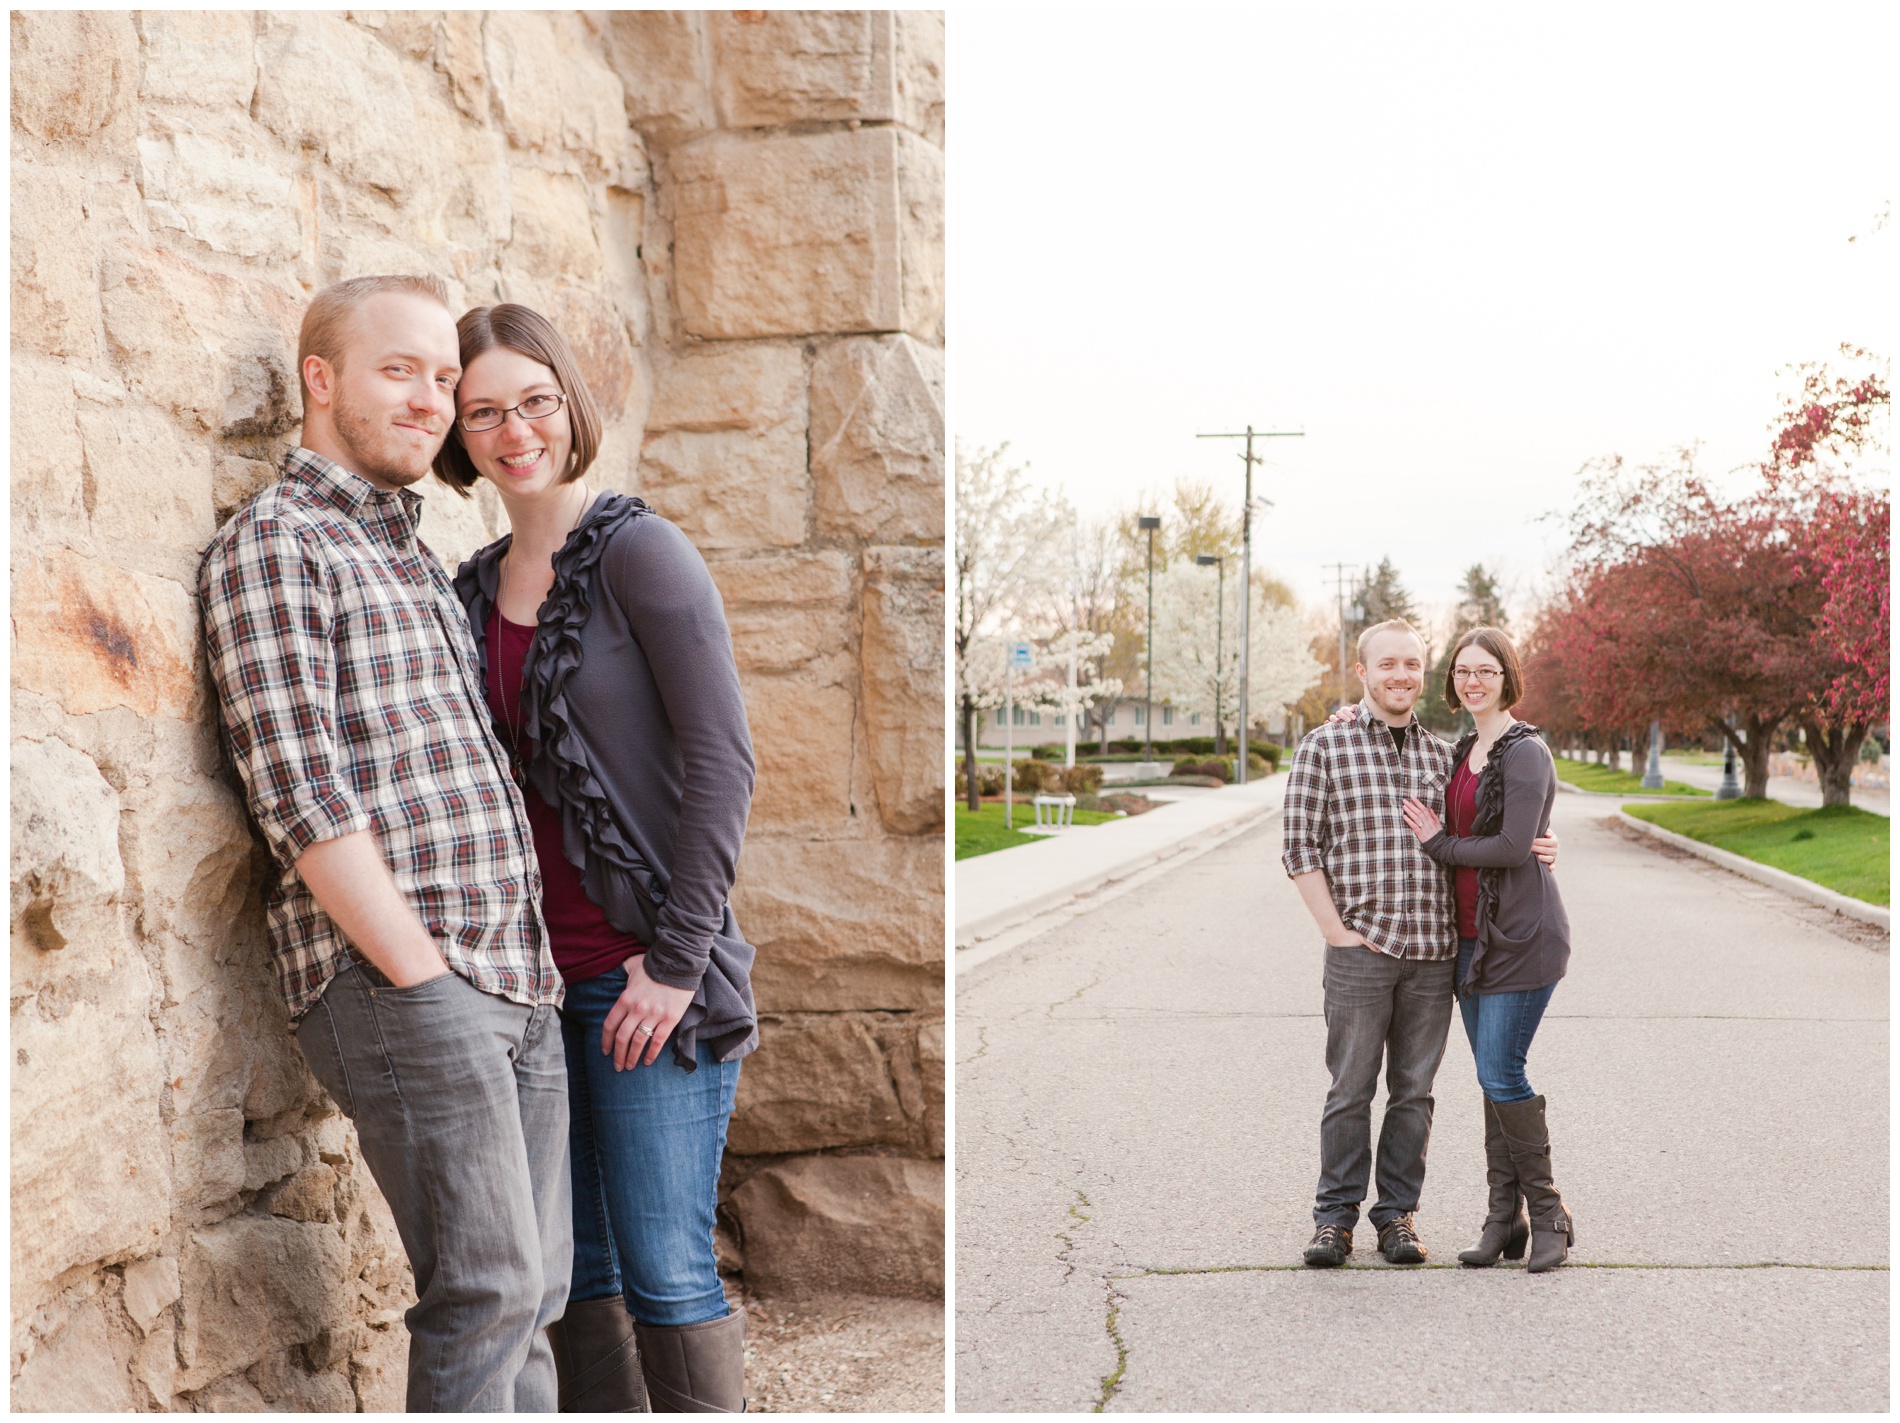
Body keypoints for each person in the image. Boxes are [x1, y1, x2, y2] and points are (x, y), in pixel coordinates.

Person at [200, 275, 569, 1410]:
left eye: (444, 378)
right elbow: (303, 794)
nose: (431, 401)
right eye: (399, 370)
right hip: (411, 980)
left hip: (518, 976)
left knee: (537, 1296)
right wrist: (423, 975)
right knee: (487, 1291)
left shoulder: (409, 551)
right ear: (321, 380)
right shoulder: (277, 543)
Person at [438, 304, 758, 1412]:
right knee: (578, 1279)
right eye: (483, 411)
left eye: (532, 399)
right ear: (459, 433)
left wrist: (675, 964)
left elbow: (724, 762)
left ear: (569, 401)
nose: (513, 428)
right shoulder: (469, 587)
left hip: (644, 981)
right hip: (529, 990)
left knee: (669, 1271)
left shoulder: (639, 554)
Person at [1281, 619, 1558, 1268]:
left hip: (1435, 955)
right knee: (1350, 1088)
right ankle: (1334, 1219)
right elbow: (1299, 848)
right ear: (1364, 672)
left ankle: (1397, 1214)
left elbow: (1504, 821)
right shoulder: (1326, 747)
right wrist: (1335, 933)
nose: (1401, 674)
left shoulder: (1446, 756)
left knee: (1414, 1091)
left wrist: (1548, 839)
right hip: (1360, 952)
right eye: (1388, 665)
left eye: (1411, 663)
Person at [1400, 626, 1573, 1273]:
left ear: (1508, 678)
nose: (1473, 681)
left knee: (1503, 1072)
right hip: (1470, 940)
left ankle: (1550, 1211)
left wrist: (1441, 843)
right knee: (1492, 1077)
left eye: (1487, 671)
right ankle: (1505, 1219)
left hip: (1522, 938)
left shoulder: (1525, 753)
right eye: (1464, 671)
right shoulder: (1463, 748)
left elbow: (1509, 846)